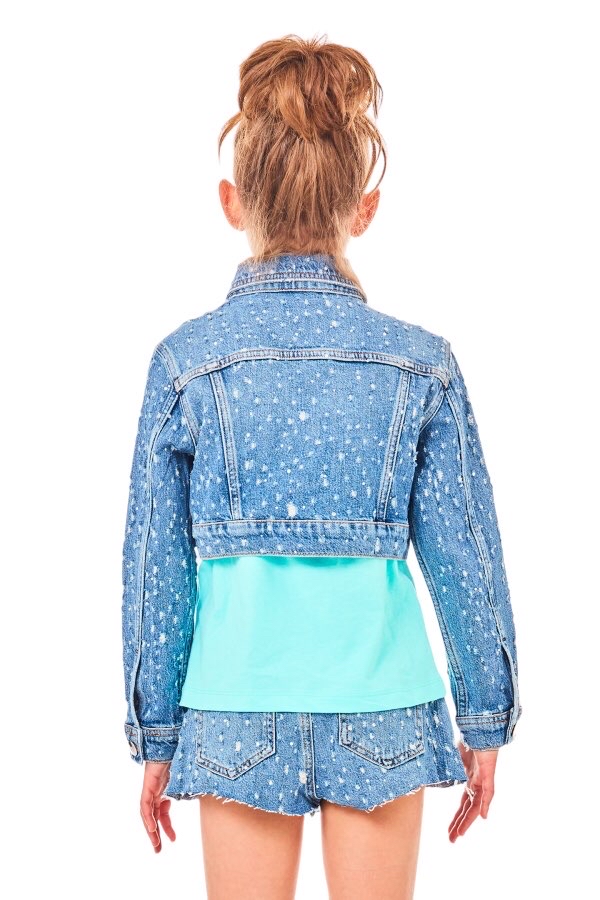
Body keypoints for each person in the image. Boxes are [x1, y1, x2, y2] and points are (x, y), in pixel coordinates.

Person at [121, 34, 522, 899]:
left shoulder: (187, 363)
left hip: (234, 705)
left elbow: (156, 570)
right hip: (383, 706)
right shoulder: (421, 364)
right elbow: (465, 557)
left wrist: (155, 737)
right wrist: (486, 715)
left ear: (233, 202)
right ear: (364, 208)